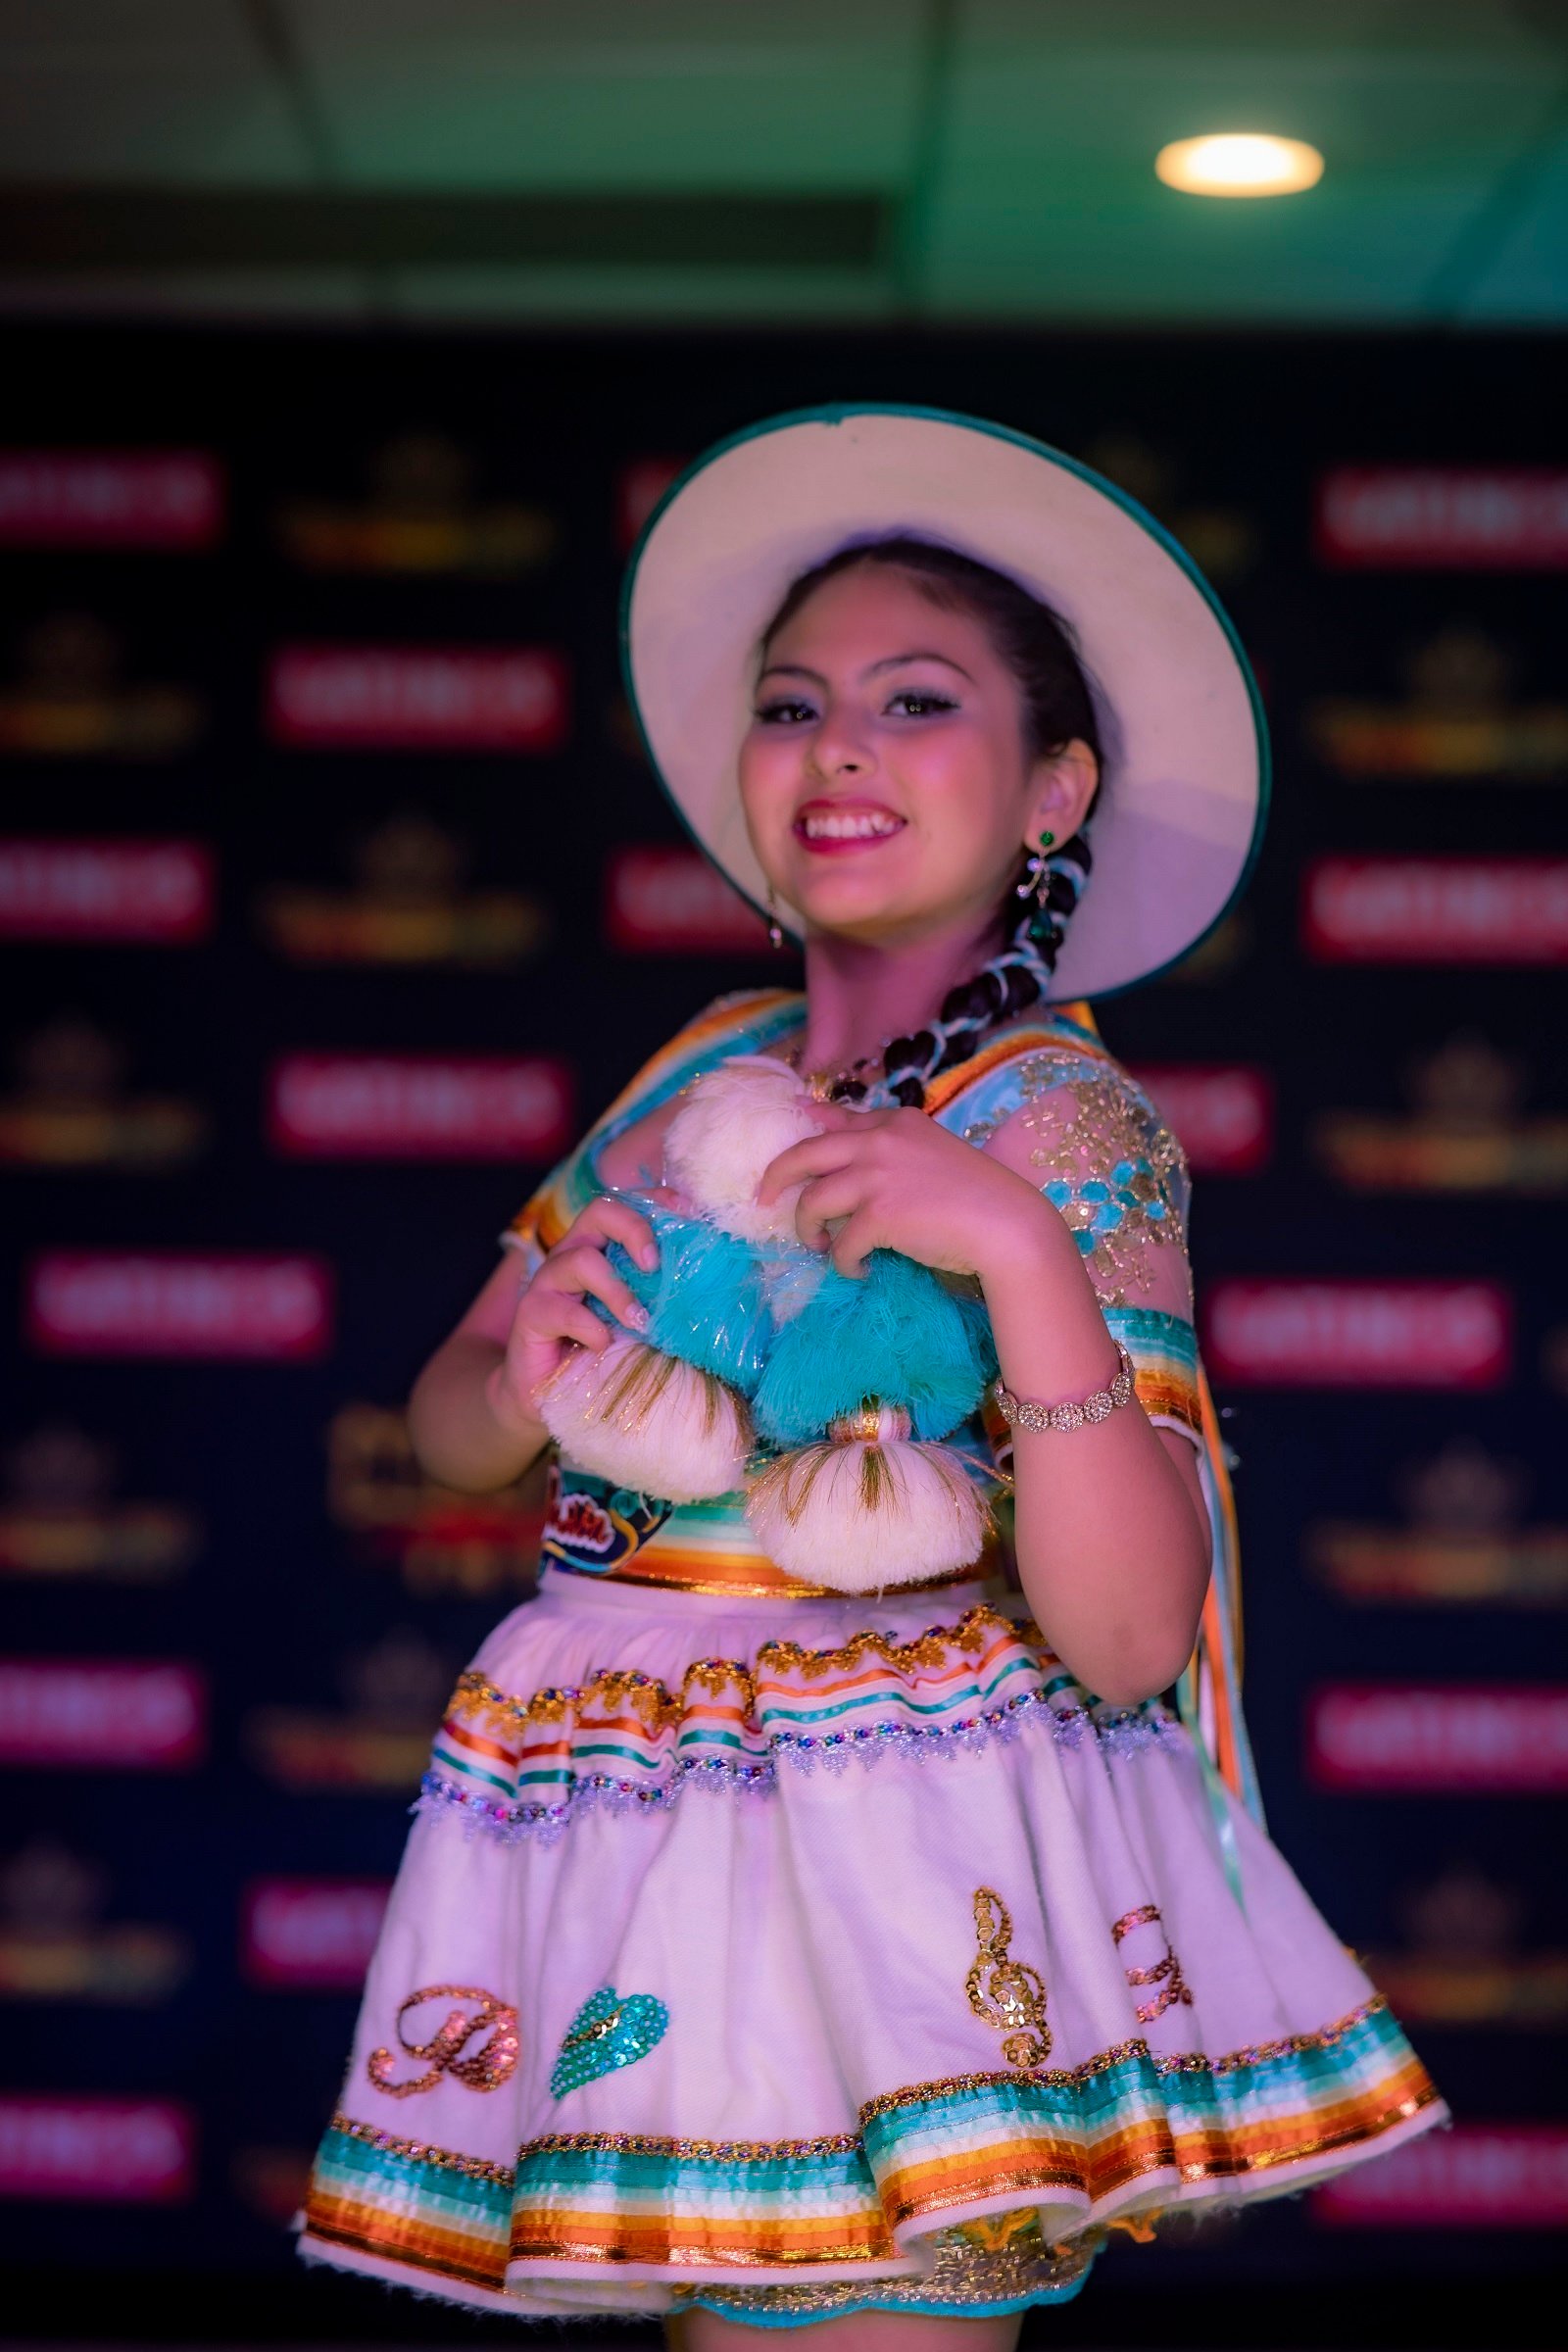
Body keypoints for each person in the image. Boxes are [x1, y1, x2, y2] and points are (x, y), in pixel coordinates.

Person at [298, 409, 1444, 2346]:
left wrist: (1010, 1250)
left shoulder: (1061, 1121)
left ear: (1052, 790)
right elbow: (455, 1422)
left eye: (914, 702)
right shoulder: (698, 1062)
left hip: (899, 1875)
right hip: (632, 1822)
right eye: (791, 705)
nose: (836, 747)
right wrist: (521, 1364)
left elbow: (1125, 1638)